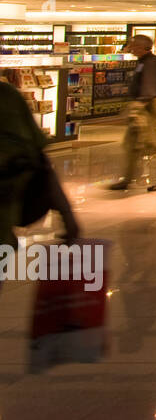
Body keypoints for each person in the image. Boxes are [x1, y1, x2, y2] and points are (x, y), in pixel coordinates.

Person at [1, 80, 80, 292]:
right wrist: (66, 213)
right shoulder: (8, 97)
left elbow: (36, 162)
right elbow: (38, 160)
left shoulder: (7, 98)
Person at [108, 35, 156, 191]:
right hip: (145, 105)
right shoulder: (144, 62)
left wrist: (140, 104)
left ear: (141, 47)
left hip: (150, 106)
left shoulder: (151, 63)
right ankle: (127, 178)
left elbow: (149, 87)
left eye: (133, 45)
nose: (130, 48)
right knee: (133, 143)